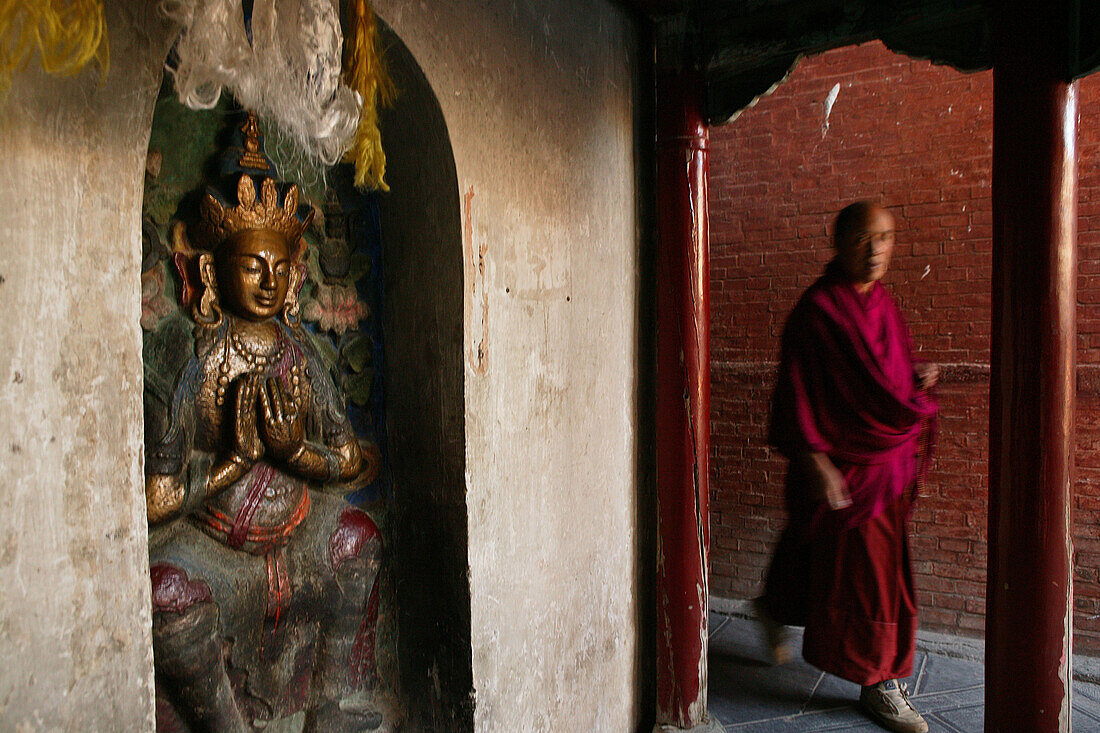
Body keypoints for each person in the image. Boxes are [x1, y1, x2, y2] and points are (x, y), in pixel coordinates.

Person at [143, 143, 384, 732]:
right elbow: (155, 502)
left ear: (295, 275)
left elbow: (351, 460)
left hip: (296, 535)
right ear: (210, 270)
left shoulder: (300, 356)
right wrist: (230, 465)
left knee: (359, 538)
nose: (269, 281)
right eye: (252, 266)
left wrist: (298, 455)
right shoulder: (193, 361)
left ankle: (331, 704)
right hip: (214, 549)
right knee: (164, 594)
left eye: (279, 268)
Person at [754, 201, 939, 733]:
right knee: (872, 577)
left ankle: (774, 604)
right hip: (843, 466)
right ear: (838, 243)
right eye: (862, 238)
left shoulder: (883, 304)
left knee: (815, 551)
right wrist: (816, 462)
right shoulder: (818, 312)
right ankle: (880, 683)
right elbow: (795, 397)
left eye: (885, 238)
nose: (876, 250)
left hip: (884, 461)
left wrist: (914, 380)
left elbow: (884, 377)